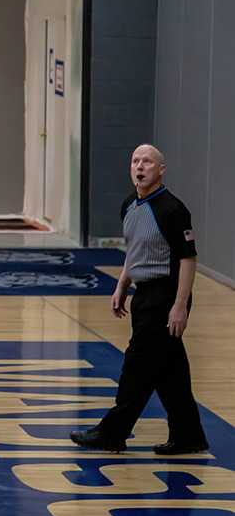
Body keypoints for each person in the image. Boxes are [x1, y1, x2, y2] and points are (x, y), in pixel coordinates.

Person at [70, 144, 209, 455]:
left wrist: (179, 305)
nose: (140, 165)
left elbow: (188, 259)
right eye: (135, 160)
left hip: (166, 295)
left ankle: (112, 432)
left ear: (160, 170)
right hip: (143, 293)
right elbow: (135, 253)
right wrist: (122, 285)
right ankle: (188, 436)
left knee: (138, 365)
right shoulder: (129, 206)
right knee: (169, 369)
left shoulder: (172, 209)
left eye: (147, 161)